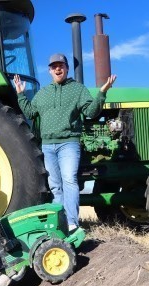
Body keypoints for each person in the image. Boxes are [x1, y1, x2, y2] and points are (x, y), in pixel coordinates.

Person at [13, 53, 116, 232]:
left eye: (61, 65)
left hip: (69, 143)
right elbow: (30, 113)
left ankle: (72, 223)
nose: (57, 69)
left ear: (67, 68)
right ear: (49, 71)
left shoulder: (78, 89)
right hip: (47, 145)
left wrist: (102, 92)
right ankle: (60, 223)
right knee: (55, 185)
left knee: (69, 180)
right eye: (54, 66)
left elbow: (91, 112)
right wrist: (21, 94)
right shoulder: (43, 93)